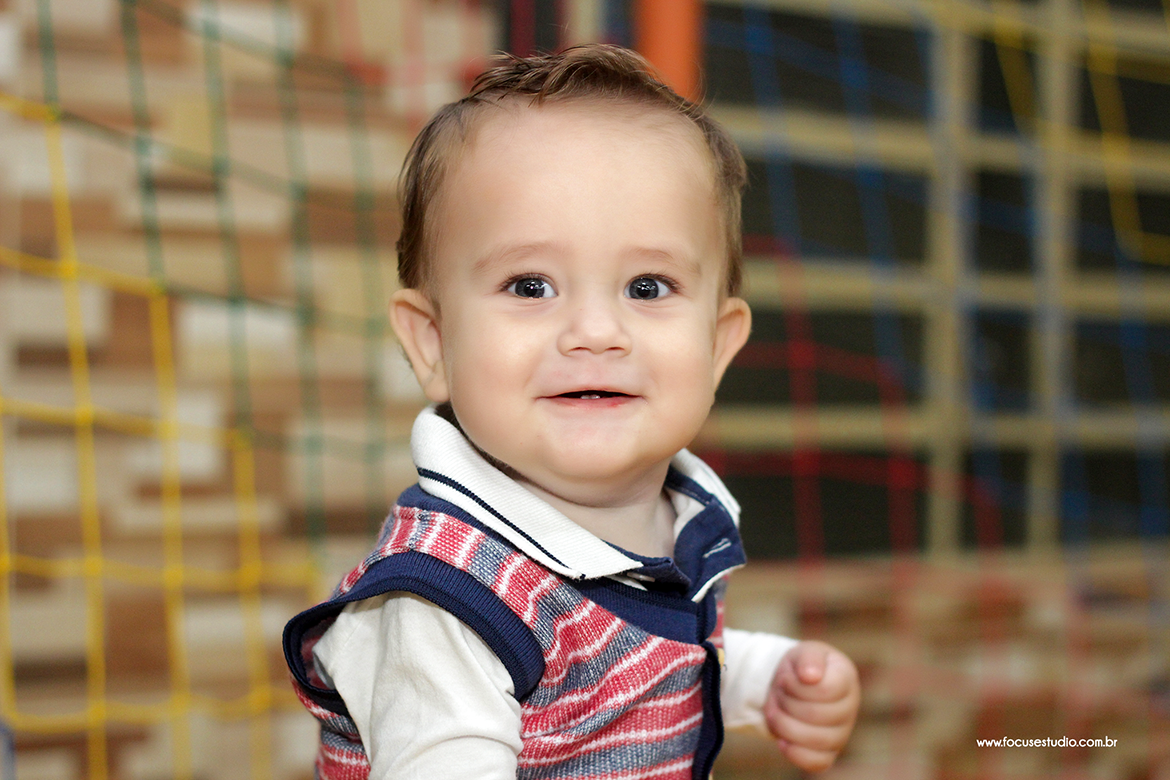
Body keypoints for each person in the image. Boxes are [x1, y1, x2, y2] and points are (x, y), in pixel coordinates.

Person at [283, 44, 860, 780]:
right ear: (432, 343)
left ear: (718, 347)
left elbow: (637, 668)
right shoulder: (447, 603)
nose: (595, 331)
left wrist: (763, 679)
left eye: (647, 287)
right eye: (531, 286)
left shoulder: (671, 523)